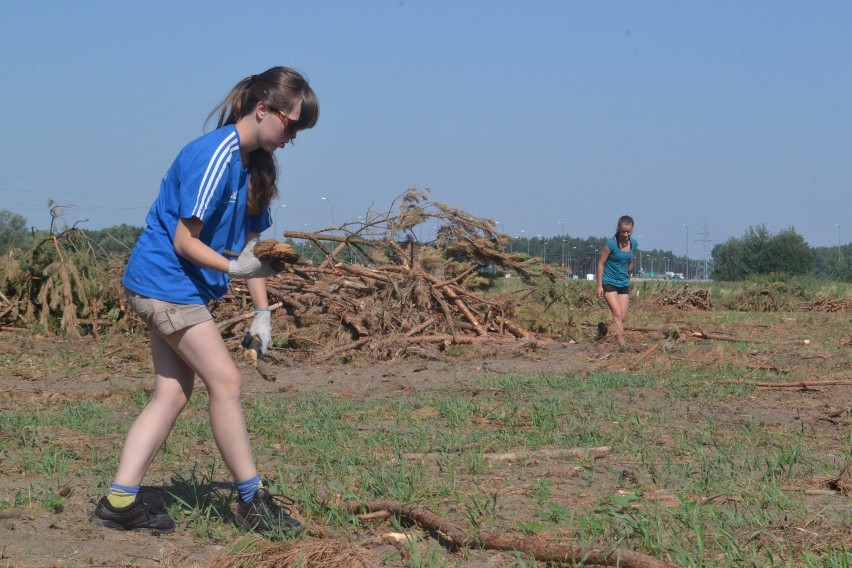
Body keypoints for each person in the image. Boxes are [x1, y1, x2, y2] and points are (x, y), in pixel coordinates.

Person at [91, 66, 319, 534]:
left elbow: (256, 252)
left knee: (172, 394)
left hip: (180, 287)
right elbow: (184, 240)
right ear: (262, 110)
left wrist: (261, 314)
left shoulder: (256, 165)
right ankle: (253, 502)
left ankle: (119, 503)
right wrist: (232, 268)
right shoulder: (216, 154)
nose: (292, 135)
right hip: (165, 283)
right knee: (227, 383)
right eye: (290, 123)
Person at [596, 215, 637, 348]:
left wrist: (629, 272)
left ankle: (606, 331)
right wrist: (599, 285)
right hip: (609, 281)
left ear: (632, 230)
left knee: (623, 316)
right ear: (618, 229)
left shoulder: (634, 244)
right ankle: (621, 344)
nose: (625, 234)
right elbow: (601, 264)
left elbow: (630, 261)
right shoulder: (610, 244)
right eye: (623, 231)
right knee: (617, 314)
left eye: (628, 231)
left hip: (623, 282)